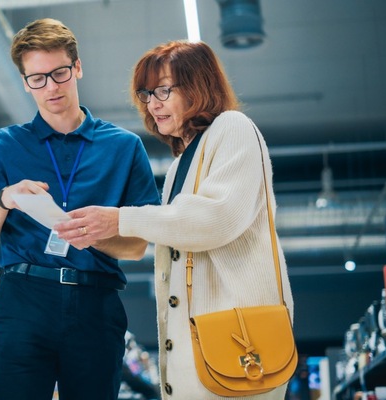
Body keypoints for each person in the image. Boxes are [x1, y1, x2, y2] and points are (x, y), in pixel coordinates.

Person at [54, 40, 295, 399]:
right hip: (203, 349)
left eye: (164, 90)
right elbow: (180, 232)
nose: (153, 104)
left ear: (199, 85)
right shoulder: (182, 161)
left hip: (238, 342)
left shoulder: (233, 128)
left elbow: (216, 219)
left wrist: (122, 220)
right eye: (146, 93)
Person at [0, 18, 160, 400]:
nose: (50, 87)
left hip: (95, 303)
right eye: (37, 78)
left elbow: (136, 247)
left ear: (78, 67)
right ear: (24, 81)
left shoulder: (123, 147)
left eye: (59, 73)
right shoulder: (5, 146)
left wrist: (95, 236)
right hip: (24, 300)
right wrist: (5, 199)